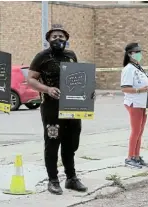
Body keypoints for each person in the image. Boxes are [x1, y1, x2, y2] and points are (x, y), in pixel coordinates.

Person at [27, 24, 88, 195]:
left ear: (66, 38)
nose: (58, 39)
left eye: (61, 36)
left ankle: (71, 178)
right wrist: (47, 89)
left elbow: (79, 78)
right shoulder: (41, 57)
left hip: (73, 107)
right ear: (48, 39)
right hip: (51, 108)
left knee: (72, 141)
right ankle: (53, 180)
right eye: (54, 36)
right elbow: (31, 79)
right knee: (53, 142)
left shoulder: (71, 55)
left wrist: (87, 93)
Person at [120, 43, 148, 169]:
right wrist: (140, 90)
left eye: (140, 51)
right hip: (134, 103)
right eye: (136, 52)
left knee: (140, 131)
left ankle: (137, 156)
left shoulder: (138, 67)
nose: (139, 54)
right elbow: (125, 88)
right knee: (135, 131)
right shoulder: (128, 69)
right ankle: (130, 157)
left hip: (143, 103)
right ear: (129, 54)